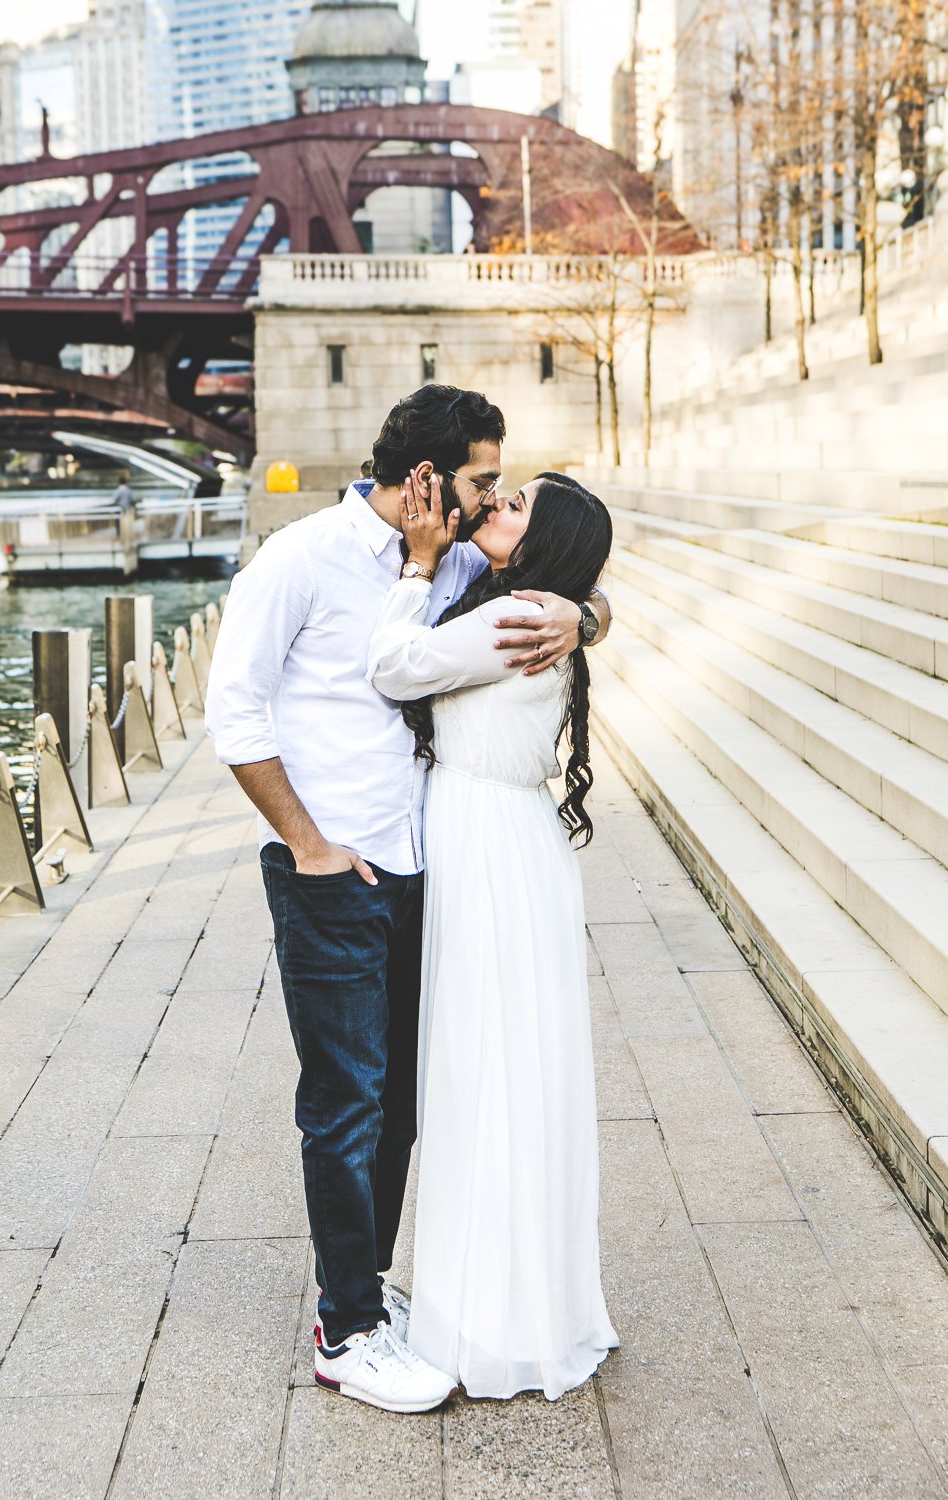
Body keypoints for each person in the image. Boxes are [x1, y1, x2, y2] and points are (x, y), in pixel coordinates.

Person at [204, 385, 609, 1415]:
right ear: (426, 479)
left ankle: (364, 1289)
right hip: (335, 869)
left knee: (404, 1110)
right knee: (346, 1103)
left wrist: (586, 611)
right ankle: (345, 1332)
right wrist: (307, 845)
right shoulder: (301, 560)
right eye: (480, 481)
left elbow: (564, 570)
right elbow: (234, 711)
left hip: (430, 867)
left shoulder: (464, 559)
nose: (486, 503)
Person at [366, 469, 619, 1401]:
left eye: (515, 506)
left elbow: (391, 668)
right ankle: (523, 1300)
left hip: (485, 841)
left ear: (541, 540)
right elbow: (590, 598)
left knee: (482, 1067)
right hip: (516, 842)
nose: (494, 506)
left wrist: (412, 571)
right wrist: (591, 611)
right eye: (500, 492)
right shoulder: (542, 604)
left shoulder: (514, 615)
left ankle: (479, 1320)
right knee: (516, 1069)